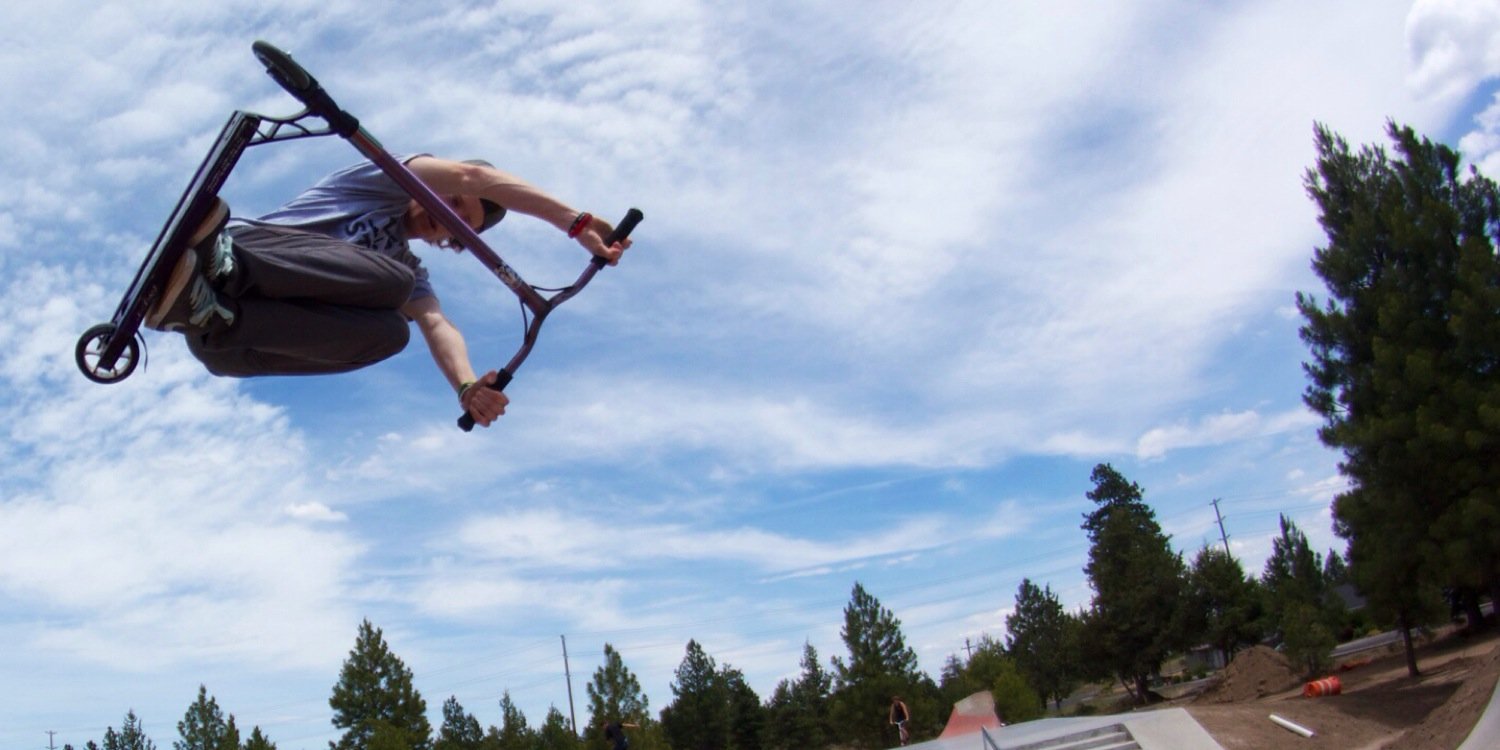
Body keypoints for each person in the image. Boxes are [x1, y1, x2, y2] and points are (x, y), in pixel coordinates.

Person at [145, 155, 629, 427]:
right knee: (392, 284)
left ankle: (211, 316)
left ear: (450, 242)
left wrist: (465, 387)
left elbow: (437, 325)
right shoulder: (380, 183)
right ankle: (225, 266)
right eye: (451, 202)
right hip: (242, 254)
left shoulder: (409, 268)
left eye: (458, 225)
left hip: (223, 331)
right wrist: (574, 220)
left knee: (393, 333)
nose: (446, 216)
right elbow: (474, 177)